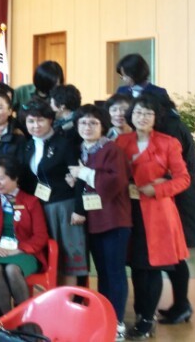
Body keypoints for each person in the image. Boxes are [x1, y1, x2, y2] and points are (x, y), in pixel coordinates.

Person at [116, 94, 190, 340]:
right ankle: (141, 314)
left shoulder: (169, 143)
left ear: (156, 117)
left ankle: (147, 320)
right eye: (138, 112)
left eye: (148, 113)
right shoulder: (121, 141)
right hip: (130, 210)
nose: (143, 117)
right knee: (138, 267)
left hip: (158, 212)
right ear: (131, 116)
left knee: (154, 267)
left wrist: (157, 189)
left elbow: (183, 179)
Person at [68, 105, 131, 338]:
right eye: (83, 122)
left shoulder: (112, 149)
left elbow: (116, 182)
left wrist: (83, 174)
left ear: (103, 126)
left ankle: (118, 323)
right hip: (94, 221)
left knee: (115, 273)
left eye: (93, 123)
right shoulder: (81, 150)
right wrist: (74, 178)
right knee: (102, 273)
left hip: (114, 220)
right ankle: (105, 318)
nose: (87, 127)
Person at [18, 100, 87, 286]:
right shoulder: (28, 146)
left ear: (50, 120)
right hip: (40, 208)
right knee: (51, 257)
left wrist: (79, 209)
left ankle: (70, 299)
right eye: (31, 121)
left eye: (40, 120)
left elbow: (80, 178)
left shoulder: (64, 144)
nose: (35, 125)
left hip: (65, 206)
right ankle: (53, 298)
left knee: (69, 258)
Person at [0, 156, 49, 315]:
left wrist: (19, 250)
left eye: (1, 178)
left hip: (24, 253)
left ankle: (25, 319)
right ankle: (7, 321)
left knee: (12, 269)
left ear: (15, 177)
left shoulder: (31, 201)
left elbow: (40, 235)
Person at [154, 94, 195, 326]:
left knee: (175, 255)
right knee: (174, 255)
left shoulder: (171, 127)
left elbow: (172, 168)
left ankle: (182, 305)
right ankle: (180, 304)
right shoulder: (174, 122)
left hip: (179, 199)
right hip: (181, 197)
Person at [13, 61, 63, 135]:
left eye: (58, 83)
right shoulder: (22, 91)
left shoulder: (60, 95)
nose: (56, 86)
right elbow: (6, 111)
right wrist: (13, 128)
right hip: (22, 134)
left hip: (50, 135)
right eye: (53, 84)